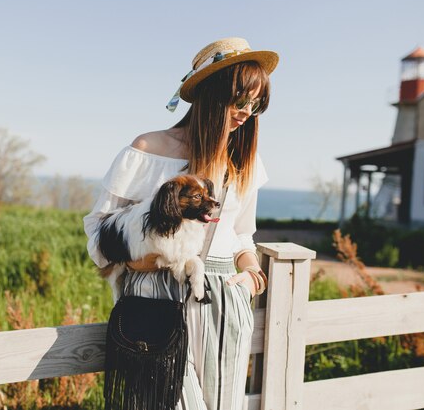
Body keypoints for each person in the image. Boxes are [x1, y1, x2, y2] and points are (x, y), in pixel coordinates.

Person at [83, 37, 278, 410]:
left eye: (257, 105)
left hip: (222, 298)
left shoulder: (244, 163)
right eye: (240, 101)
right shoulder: (147, 149)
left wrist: (252, 277)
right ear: (211, 93)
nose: (246, 113)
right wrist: (142, 262)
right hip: (152, 298)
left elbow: (242, 234)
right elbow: (98, 228)